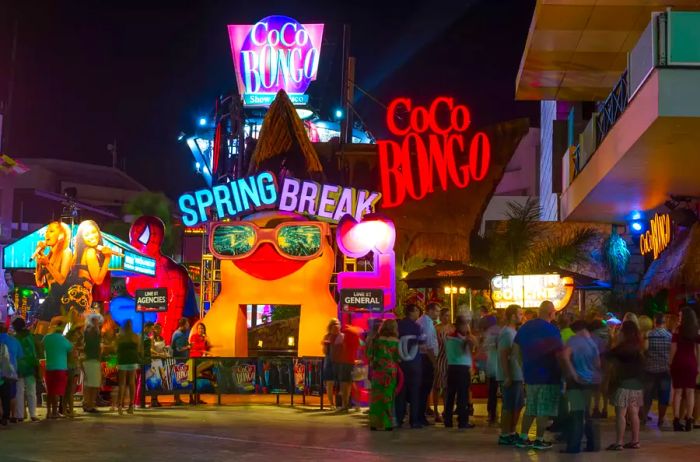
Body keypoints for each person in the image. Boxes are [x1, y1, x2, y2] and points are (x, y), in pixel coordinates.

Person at [513, 301, 564, 450]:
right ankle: (539, 439)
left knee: (531, 407)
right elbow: (559, 353)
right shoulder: (553, 330)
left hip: (530, 375)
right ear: (550, 313)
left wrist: (523, 365)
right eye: (554, 312)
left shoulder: (525, 327)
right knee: (544, 409)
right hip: (549, 375)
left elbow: (515, 349)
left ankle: (523, 437)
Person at [561, 320, 601, 453]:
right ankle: (592, 445)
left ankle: (573, 447)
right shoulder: (592, 342)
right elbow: (598, 364)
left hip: (576, 382)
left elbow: (565, 356)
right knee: (587, 413)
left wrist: (573, 373)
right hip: (590, 382)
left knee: (577, 414)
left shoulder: (573, 341)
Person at [605, 321, 645, 450]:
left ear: (624, 332)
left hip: (623, 383)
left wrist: (612, 337)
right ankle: (635, 440)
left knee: (620, 414)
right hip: (637, 384)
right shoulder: (639, 346)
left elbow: (607, 355)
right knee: (634, 413)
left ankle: (619, 442)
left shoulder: (622, 348)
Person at [33, 221, 72, 332]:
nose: (47, 234)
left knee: (43, 334)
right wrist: (39, 258)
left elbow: (61, 280)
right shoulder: (49, 255)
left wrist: (47, 264)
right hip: (51, 298)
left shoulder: (66, 252)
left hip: (60, 301)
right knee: (39, 333)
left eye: (51, 231)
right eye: (46, 231)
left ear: (61, 235)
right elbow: (39, 282)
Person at [496, 304, 524, 445]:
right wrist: (507, 375)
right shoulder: (507, 333)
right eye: (519, 314)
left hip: (516, 374)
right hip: (512, 375)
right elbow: (504, 354)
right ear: (512, 316)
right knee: (509, 405)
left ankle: (511, 432)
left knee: (516, 405)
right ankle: (505, 434)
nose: (521, 316)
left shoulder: (513, 332)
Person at [444, 314, 477, 429]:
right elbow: (470, 348)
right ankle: (463, 421)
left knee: (450, 395)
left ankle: (447, 420)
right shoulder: (463, 339)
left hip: (451, 367)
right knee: (462, 395)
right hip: (462, 368)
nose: (467, 327)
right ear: (461, 325)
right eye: (466, 324)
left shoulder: (449, 336)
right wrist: (470, 337)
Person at [367, 319, 400, 431]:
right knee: (388, 397)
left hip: (378, 371)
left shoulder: (376, 340)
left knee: (376, 397)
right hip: (390, 372)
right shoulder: (395, 341)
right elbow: (398, 358)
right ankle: (387, 423)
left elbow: (369, 355)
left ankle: (374, 423)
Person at [671, 307, 700, 431]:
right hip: (691, 363)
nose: (679, 318)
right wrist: (698, 365)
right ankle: (689, 419)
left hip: (678, 362)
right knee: (690, 392)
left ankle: (677, 419)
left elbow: (673, 349)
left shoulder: (677, 330)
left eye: (680, 316)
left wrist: (670, 364)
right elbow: (698, 350)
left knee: (677, 392)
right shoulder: (695, 331)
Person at [395, 304, 424, 429]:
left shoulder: (398, 325)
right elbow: (421, 343)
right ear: (412, 312)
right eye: (417, 310)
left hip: (401, 364)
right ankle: (414, 420)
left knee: (401, 391)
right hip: (414, 363)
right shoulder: (416, 327)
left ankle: (399, 418)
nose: (419, 313)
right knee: (415, 392)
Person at [643, 313, 672, 428]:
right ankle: (660, 419)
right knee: (663, 395)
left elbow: (645, 350)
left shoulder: (649, 335)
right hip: (665, 370)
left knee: (647, 395)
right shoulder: (669, 336)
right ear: (664, 322)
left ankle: (644, 417)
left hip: (650, 369)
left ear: (655, 322)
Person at [43, 319, 73, 419]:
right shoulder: (64, 340)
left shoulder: (46, 338)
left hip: (49, 368)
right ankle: (55, 412)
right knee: (56, 392)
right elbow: (71, 350)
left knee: (50, 391)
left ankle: (48, 412)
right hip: (60, 368)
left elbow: (42, 347)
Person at [12, 318, 40, 422]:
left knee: (19, 392)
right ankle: (33, 414)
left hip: (18, 368)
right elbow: (34, 352)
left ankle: (20, 415)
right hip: (30, 367)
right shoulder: (30, 337)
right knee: (31, 392)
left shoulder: (14, 339)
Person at [417, 302, 439, 426]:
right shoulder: (426, 323)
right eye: (436, 311)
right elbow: (429, 345)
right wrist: (434, 362)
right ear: (430, 311)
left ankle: (421, 415)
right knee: (425, 388)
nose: (437, 314)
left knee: (424, 389)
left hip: (424, 357)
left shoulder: (426, 322)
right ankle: (420, 416)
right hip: (426, 358)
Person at [116, 319, 141, 415]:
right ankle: (131, 406)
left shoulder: (120, 337)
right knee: (131, 383)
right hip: (132, 360)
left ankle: (120, 406)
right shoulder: (135, 336)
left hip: (122, 361)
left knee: (122, 384)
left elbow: (116, 349)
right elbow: (139, 349)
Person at [62, 309, 84, 418]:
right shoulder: (70, 341)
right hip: (71, 366)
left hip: (70, 365)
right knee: (70, 390)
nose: (78, 335)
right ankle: (69, 410)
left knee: (68, 390)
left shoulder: (67, 340)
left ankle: (66, 409)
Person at [480, 313, 500, 425]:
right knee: (495, 391)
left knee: (492, 391)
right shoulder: (499, 331)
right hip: (497, 366)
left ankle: (492, 413)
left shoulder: (488, 333)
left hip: (492, 366)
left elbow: (484, 349)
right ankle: (493, 413)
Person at [0, 322, 22, 423]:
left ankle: (2, 416)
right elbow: (20, 356)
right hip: (10, 373)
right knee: (10, 396)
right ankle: (10, 416)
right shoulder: (14, 341)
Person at [433, 308, 452, 423]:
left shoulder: (452, 328)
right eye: (445, 315)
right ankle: (435, 411)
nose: (447, 318)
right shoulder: (437, 329)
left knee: (447, 387)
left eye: (448, 315)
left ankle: (446, 409)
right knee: (437, 386)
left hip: (449, 359)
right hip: (439, 358)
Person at [337, 323, 362, 411]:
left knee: (345, 384)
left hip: (345, 362)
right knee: (351, 383)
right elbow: (359, 346)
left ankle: (345, 405)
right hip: (352, 362)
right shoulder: (356, 336)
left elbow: (343, 347)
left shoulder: (347, 333)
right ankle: (357, 404)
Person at [82, 313, 102, 413]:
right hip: (91, 359)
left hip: (90, 359)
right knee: (92, 384)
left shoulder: (89, 330)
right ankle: (89, 404)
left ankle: (87, 403)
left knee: (89, 383)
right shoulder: (92, 330)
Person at [322, 319, 342, 410]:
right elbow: (325, 352)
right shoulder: (327, 336)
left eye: (337, 324)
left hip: (339, 362)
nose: (336, 326)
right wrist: (326, 345)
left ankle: (341, 403)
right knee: (330, 383)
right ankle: (331, 404)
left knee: (341, 383)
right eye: (334, 324)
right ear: (330, 326)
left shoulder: (341, 336)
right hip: (329, 361)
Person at [188, 323, 210, 405]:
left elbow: (205, 348)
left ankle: (198, 398)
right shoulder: (194, 336)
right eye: (199, 328)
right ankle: (191, 398)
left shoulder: (204, 338)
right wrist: (204, 350)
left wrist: (206, 342)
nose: (201, 330)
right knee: (192, 378)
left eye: (202, 328)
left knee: (198, 379)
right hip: (193, 359)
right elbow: (195, 347)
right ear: (197, 329)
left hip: (200, 360)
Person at [171, 318, 190, 405]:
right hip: (179, 361)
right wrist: (188, 347)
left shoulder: (181, 333)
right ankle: (177, 399)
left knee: (180, 379)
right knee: (179, 379)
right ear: (182, 325)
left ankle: (177, 399)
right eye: (187, 324)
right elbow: (179, 349)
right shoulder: (179, 334)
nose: (188, 326)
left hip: (181, 360)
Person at [149, 323, 167, 407]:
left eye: (160, 329)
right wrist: (159, 354)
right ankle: (153, 400)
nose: (159, 331)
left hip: (161, 360)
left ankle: (156, 399)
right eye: (157, 329)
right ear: (154, 330)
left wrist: (165, 352)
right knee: (155, 380)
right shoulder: (152, 339)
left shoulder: (162, 338)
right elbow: (151, 350)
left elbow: (164, 348)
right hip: (154, 360)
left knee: (160, 380)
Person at [0, 342, 13, 426]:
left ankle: (4, 417)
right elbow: (7, 359)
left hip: (3, 376)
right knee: (5, 398)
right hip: (4, 376)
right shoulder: (3, 346)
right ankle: (5, 417)